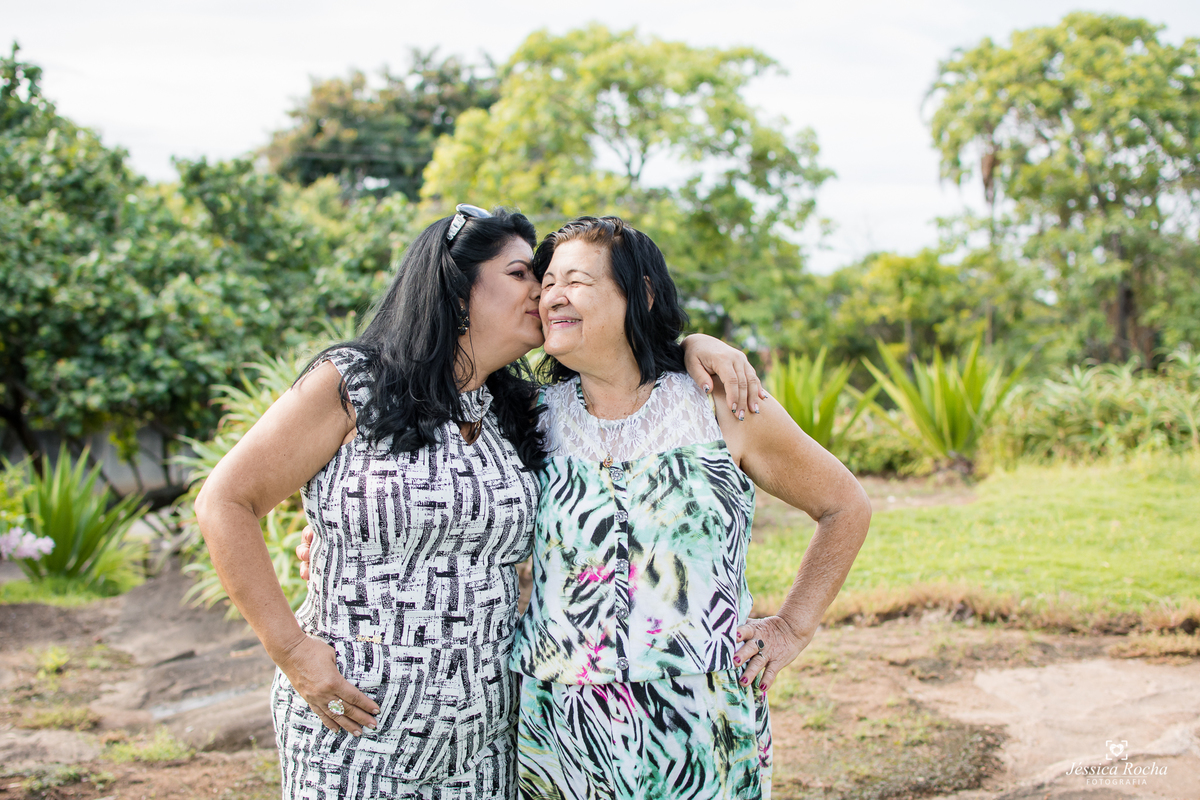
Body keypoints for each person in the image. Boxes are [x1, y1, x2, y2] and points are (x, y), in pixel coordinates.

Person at [194, 205, 765, 800]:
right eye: (522, 275)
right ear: (457, 288)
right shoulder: (357, 383)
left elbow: (619, 385)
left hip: (489, 738)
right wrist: (291, 649)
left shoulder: (520, 411)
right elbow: (226, 501)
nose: (543, 294)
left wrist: (693, 345)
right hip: (357, 724)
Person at [511, 217, 872, 800]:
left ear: (643, 294)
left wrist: (792, 626)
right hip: (560, 725)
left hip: (702, 721)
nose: (552, 295)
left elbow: (844, 505)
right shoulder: (527, 417)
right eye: (547, 282)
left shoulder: (720, 404)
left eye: (575, 281)